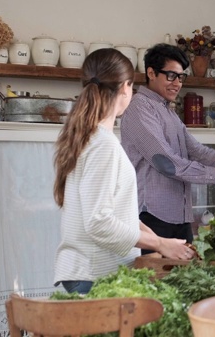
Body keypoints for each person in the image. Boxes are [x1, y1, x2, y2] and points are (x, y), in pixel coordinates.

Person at [53, 49, 195, 294]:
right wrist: (160, 242)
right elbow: (99, 223)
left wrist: (150, 235)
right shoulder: (103, 145)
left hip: (86, 273)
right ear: (126, 87)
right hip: (93, 276)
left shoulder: (90, 137)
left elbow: (109, 211)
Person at [120, 43, 215, 253]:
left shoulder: (168, 111)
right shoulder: (139, 108)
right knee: (156, 283)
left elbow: (197, 152)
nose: (177, 83)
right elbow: (165, 163)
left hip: (180, 218)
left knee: (184, 283)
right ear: (151, 72)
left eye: (181, 77)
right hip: (152, 219)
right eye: (171, 76)